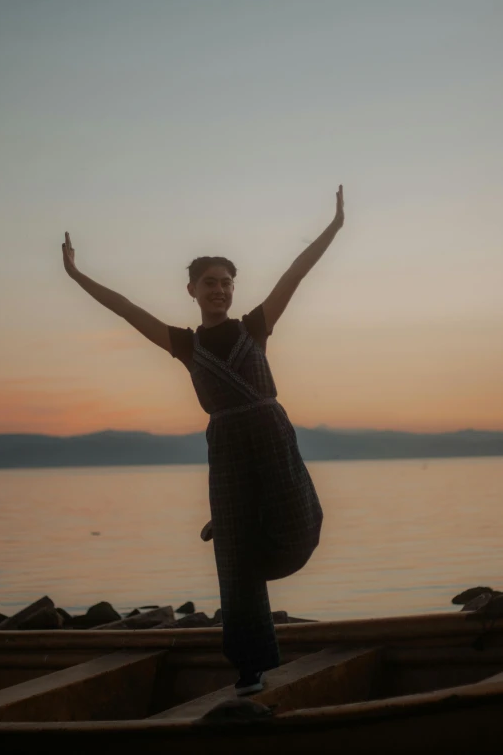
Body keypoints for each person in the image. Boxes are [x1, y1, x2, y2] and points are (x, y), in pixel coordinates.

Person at [61, 185, 345, 695]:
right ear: (191, 289)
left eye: (227, 283)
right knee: (236, 564)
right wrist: (77, 275)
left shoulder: (255, 327)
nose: (220, 290)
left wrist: (334, 226)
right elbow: (125, 308)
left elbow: (295, 274)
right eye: (210, 283)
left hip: (273, 436)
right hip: (229, 448)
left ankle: (237, 519)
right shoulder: (184, 344)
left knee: (299, 521)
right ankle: (251, 669)